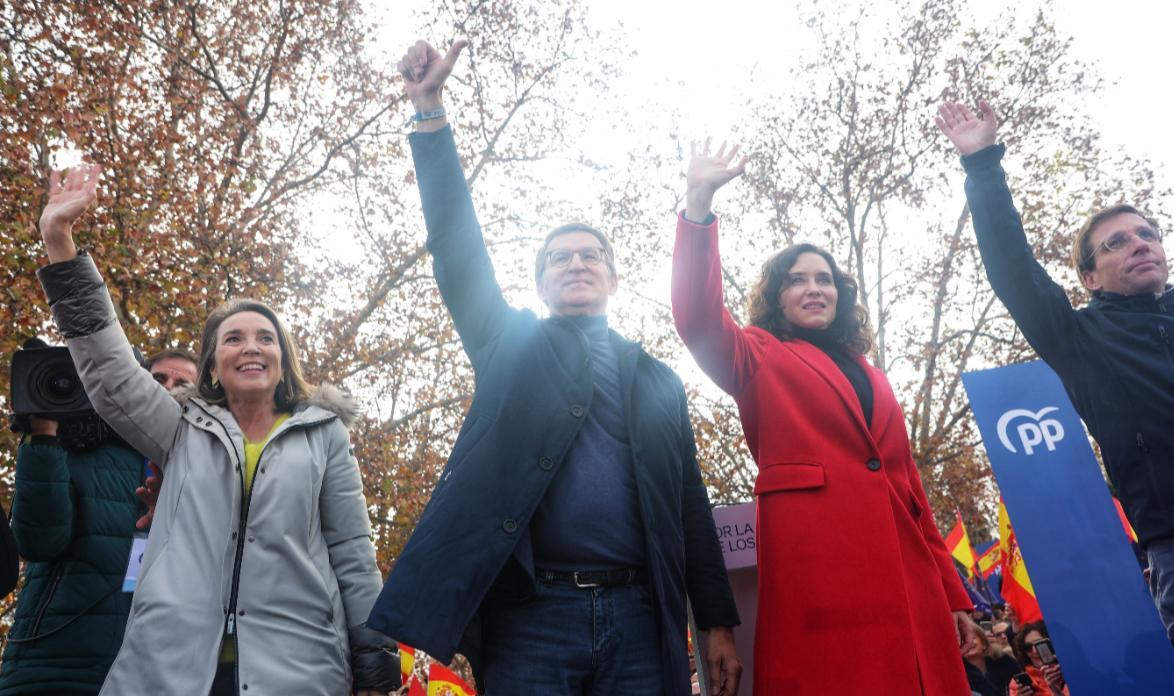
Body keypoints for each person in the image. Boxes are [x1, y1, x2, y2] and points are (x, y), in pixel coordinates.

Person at [367, 39, 742, 696]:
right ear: (540, 285)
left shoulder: (658, 381)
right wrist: (430, 115)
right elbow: (458, 253)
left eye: (590, 255)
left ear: (614, 279)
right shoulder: (509, 345)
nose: (575, 263)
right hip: (532, 619)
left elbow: (688, 508)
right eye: (559, 258)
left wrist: (715, 622)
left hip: (639, 616)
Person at [34, 163, 401, 695]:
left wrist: (374, 661)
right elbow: (108, 366)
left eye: (264, 337)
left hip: (298, 671)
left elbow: (351, 551)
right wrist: (59, 241)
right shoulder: (180, 430)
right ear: (211, 365)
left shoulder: (324, 436)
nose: (250, 346)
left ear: (282, 359)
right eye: (232, 338)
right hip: (170, 670)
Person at [671, 140, 975, 694]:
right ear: (776, 297)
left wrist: (954, 598)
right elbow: (696, 319)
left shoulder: (874, 375)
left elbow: (911, 492)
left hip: (912, 588)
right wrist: (699, 203)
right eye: (797, 279)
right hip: (823, 578)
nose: (814, 288)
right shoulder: (757, 355)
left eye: (825, 279)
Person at [937, 100, 1174, 678]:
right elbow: (1014, 271)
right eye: (1115, 243)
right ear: (1087, 277)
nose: (1138, 243)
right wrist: (982, 165)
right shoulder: (1083, 339)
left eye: (1146, 234)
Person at [0, 337, 166, 695]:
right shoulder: (74, 447)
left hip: (153, 673)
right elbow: (39, 541)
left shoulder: (203, 469)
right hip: (51, 666)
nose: (166, 391)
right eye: (157, 379)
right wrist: (44, 436)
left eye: (181, 385)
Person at [134, 348, 200, 530]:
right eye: (159, 379)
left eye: (182, 384)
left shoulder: (207, 455)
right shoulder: (99, 437)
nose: (169, 387)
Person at [963, 620, 1022, 696]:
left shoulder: (1004, 661)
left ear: (984, 642)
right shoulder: (958, 674)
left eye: (973, 638)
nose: (968, 643)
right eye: (962, 640)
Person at [1009, 621, 1069, 696]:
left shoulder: (1069, 670)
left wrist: (1057, 691)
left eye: (1039, 644)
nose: (1034, 651)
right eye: (1028, 647)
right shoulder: (1017, 685)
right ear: (1024, 652)